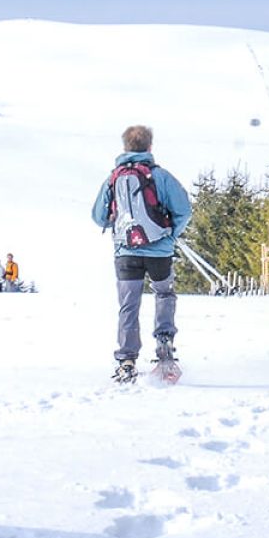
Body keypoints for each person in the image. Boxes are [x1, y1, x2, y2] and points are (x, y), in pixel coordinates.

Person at [91, 124, 193, 382]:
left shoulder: (114, 177)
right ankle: (165, 345)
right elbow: (184, 210)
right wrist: (170, 235)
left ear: (125, 147)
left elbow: (98, 216)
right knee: (164, 293)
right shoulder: (160, 176)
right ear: (150, 147)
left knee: (129, 305)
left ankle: (126, 360)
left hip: (126, 252)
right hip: (159, 251)